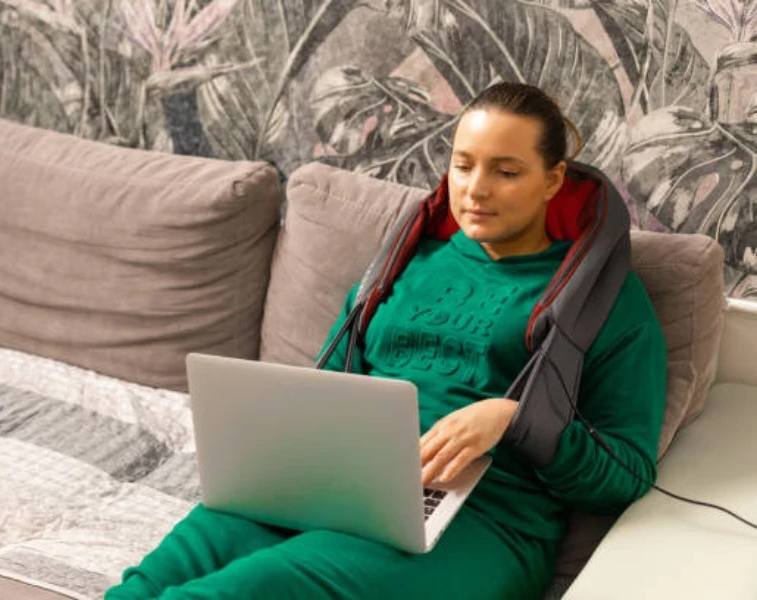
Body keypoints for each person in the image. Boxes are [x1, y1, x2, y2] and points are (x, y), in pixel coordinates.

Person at [104, 82, 667, 600]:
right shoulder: (405, 262)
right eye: (463, 165)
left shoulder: (605, 300)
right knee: (152, 580)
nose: (475, 189)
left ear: (553, 180)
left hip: (484, 522)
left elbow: (627, 474)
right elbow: (329, 390)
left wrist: (511, 420)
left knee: (244, 590)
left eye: (507, 171)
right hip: (337, 483)